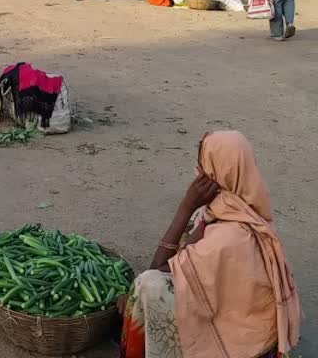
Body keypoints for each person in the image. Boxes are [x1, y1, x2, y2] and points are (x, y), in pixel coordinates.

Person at [120, 130, 301, 358]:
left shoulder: (229, 237)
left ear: (216, 173)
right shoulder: (241, 208)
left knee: (146, 287)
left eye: (203, 166)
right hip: (245, 324)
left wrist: (186, 206)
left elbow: (158, 269)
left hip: (240, 344)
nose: (197, 173)